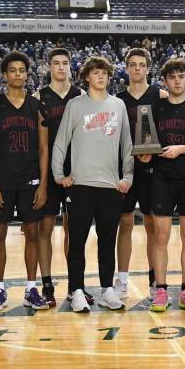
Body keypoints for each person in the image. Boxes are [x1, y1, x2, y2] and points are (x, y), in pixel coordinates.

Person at [51, 56, 133, 313]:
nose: (101, 77)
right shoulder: (75, 105)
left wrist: (127, 177)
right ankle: (76, 290)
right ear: (87, 76)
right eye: (96, 73)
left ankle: (108, 290)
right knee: (76, 241)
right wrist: (58, 175)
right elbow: (61, 142)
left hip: (109, 186)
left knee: (107, 241)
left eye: (105, 73)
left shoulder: (118, 105)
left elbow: (127, 145)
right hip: (80, 185)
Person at [139, 58, 185, 313]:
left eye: (182, 76)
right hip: (161, 179)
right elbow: (145, 147)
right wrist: (145, 153)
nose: (178, 81)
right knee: (160, 236)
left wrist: (182, 149)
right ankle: (161, 290)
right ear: (165, 81)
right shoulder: (155, 108)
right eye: (172, 77)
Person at [0, 51, 49, 313]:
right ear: (5, 75)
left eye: (22, 70)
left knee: (32, 233)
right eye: (13, 70)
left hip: (31, 179)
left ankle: (31, 289)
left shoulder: (36, 106)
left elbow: (43, 149)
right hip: (3, 180)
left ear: (27, 74)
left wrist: (43, 184)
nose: (17, 74)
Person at [116, 48, 168, 299]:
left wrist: (153, 152)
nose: (137, 68)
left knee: (151, 225)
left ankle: (152, 281)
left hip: (152, 170)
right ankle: (122, 279)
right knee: (124, 223)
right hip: (125, 169)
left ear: (148, 68)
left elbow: (168, 132)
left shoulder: (161, 96)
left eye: (141, 65)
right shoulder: (116, 99)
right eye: (132, 64)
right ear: (126, 68)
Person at [33, 48, 82, 307]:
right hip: (48, 171)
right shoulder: (39, 98)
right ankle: (48, 284)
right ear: (48, 67)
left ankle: (75, 285)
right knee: (46, 228)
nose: (61, 67)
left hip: (76, 171)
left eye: (65, 63)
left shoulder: (81, 96)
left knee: (73, 230)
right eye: (56, 63)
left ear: (70, 66)